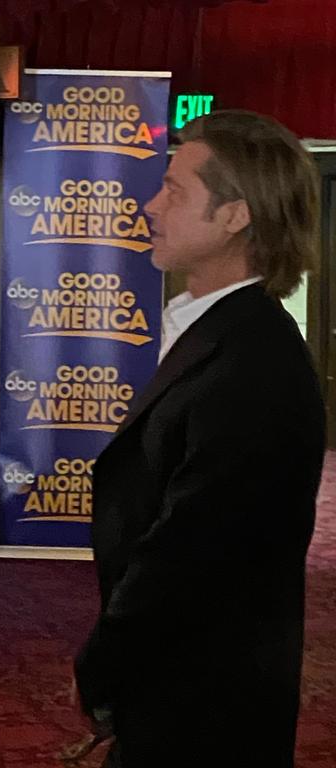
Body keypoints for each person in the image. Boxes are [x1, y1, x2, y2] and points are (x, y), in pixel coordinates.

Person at [74, 110, 326, 768]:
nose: (150, 205)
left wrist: (105, 668)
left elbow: (189, 557)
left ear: (235, 216)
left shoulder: (255, 366)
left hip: (207, 702)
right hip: (181, 681)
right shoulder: (217, 330)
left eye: (176, 191)